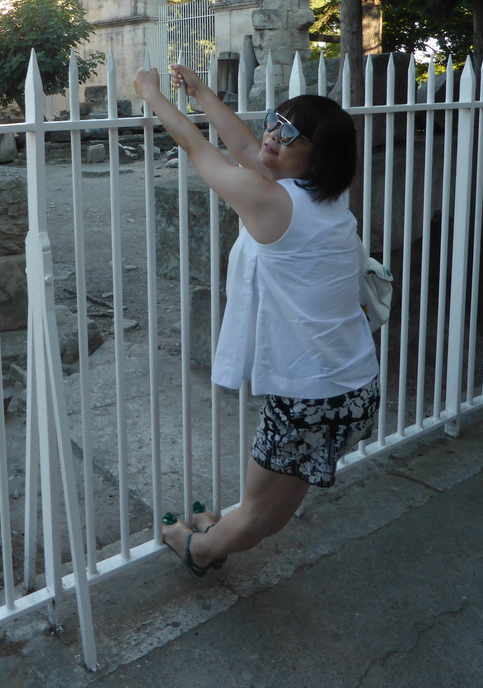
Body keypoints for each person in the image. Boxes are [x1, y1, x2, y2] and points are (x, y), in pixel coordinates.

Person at [132, 63, 379, 578]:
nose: (273, 134)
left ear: (317, 153)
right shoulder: (324, 200)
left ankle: (196, 548)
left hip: (310, 393)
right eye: (274, 121)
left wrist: (151, 95)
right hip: (353, 380)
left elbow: (201, 152)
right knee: (275, 504)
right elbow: (248, 150)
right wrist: (200, 92)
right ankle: (221, 532)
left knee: (261, 510)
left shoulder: (271, 201)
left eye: (289, 133)